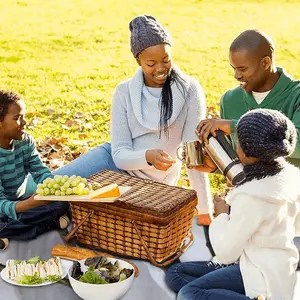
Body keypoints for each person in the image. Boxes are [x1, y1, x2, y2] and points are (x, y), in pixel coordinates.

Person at [53, 15, 213, 225]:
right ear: (138, 61)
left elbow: (193, 156)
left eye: (166, 60)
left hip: (149, 185)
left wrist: (205, 211)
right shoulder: (124, 92)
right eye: (151, 63)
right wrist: (147, 156)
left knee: (73, 208)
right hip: (112, 164)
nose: (160, 68)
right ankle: (13, 210)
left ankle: (61, 217)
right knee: (49, 189)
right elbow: (119, 155)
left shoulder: (190, 90)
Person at [166, 109, 300, 300]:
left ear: (244, 151)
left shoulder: (251, 197)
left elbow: (226, 252)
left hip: (259, 276)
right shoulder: (292, 177)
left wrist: (222, 215)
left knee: (189, 293)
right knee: (175, 274)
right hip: (274, 268)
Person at [195, 29, 300, 258]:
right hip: (248, 208)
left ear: (266, 62)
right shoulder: (230, 99)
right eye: (233, 68)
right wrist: (215, 165)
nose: (236, 76)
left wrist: (235, 125)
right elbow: (241, 160)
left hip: (288, 209)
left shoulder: (296, 95)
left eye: (242, 69)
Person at [0, 90, 70, 242]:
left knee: (65, 203)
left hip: (21, 202)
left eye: (23, 116)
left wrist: (53, 189)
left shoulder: (25, 141)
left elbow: (39, 171)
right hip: (5, 207)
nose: (24, 122)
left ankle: (14, 231)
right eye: (17, 118)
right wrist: (28, 205)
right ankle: (46, 225)